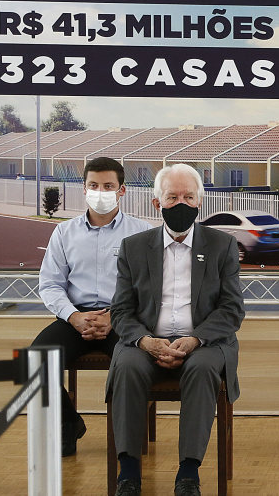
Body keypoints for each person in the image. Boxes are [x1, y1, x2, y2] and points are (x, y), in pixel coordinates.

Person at [107, 163, 244, 496]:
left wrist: (195, 339)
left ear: (199, 203)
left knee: (201, 368)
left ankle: (187, 474)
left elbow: (232, 309)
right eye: (172, 197)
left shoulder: (222, 246)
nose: (180, 203)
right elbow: (121, 310)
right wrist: (145, 341)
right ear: (157, 203)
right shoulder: (133, 247)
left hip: (205, 342)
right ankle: (128, 474)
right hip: (145, 341)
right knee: (125, 365)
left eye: (188, 197)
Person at [32, 156, 151, 456]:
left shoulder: (142, 233)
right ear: (84, 190)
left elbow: (150, 288)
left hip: (123, 319)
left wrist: (114, 316)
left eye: (108, 186)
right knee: (33, 362)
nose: (100, 191)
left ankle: (128, 443)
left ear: (122, 190)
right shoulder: (64, 232)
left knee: (133, 365)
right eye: (94, 185)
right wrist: (73, 317)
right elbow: (49, 284)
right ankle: (67, 425)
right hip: (77, 317)